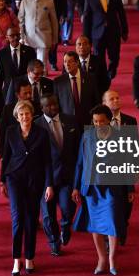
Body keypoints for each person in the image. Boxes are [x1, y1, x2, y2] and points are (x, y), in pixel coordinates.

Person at [72, 105, 135, 276]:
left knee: (112, 224)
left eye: (102, 121)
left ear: (109, 120)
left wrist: (130, 188)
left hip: (113, 189)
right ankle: (101, 259)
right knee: (96, 225)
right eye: (95, 122)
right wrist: (76, 187)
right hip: (92, 188)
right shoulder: (87, 136)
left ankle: (113, 259)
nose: (99, 125)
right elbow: (80, 163)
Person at [0, 100, 54, 276]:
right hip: (14, 178)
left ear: (32, 115)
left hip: (35, 180)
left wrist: (49, 184)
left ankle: (30, 257)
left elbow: (47, 161)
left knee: (31, 219)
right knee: (17, 219)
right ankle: (16, 259)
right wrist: (2, 181)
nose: (25, 117)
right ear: (17, 117)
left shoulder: (42, 133)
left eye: (28, 114)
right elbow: (6, 157)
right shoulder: (10, 132)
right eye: (21, 114)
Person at [35, 94, 80, 256]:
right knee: (48, 215)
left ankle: (66, 227)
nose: (53, 107)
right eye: (48, 105)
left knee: (68, 208)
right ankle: (54, 242)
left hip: (67, 176)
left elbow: (78, 150)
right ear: (42, 108)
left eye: (55, 104)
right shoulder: (36, 126)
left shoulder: (72, 120)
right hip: (45, 179)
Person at [102, 89, 138, 246]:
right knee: (108, 206)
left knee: (125, 207)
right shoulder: (99, 122)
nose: (116, 100)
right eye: (112, 99)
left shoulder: (130, 121)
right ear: (104, 104)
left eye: (117, 98)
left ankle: (122, 228)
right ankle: (108, 238)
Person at [82, 0, 128, 80]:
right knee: (98, 55)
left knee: (114, 55)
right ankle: (102, 73)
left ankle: (112, 70)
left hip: (113, 30)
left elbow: (121, 12)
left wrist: (125, 30)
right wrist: (86, 36)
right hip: (97, 31)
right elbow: (87, 16)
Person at [18, 0, 58, 72]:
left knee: (42, 63)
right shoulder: (24, 2)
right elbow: (20, 21)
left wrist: (55, 39)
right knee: (30, 63)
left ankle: (42, 81)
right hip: (29, 38)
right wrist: (22, 36)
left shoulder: (49, 2)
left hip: (44, 37)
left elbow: (54, 22)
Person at [54, 51, 100, 127]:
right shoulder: (58, 81)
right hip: (68, 122)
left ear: (77, 63)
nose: (67, 65)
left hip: (87, 120)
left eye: (70, 62)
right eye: (65, 62)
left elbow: (96, 100)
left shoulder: (90, 78)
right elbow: (57, 103)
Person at [38, 0, 67, 72]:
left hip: (55, 14)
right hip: (42, 16)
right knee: (44, 40)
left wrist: (63, 14)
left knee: (55, 38)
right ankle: (42, 64)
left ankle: (53, 62)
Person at [0, 26, 36, 98]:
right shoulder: (2, 53)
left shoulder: (30, 51)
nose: (15, 37)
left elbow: (33, 71)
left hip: (26, 92)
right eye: (12, 36)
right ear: (7, 37)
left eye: (17, 35)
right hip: (8, 92)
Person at [0, 79, 33, 156]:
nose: (29, 96)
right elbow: (2, 132)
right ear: (17, 94)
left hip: (32, 149)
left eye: (30, 93)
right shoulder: (8, 109)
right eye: (25, 93)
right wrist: (2, 153)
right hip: (13, 150)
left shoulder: (37, 107)